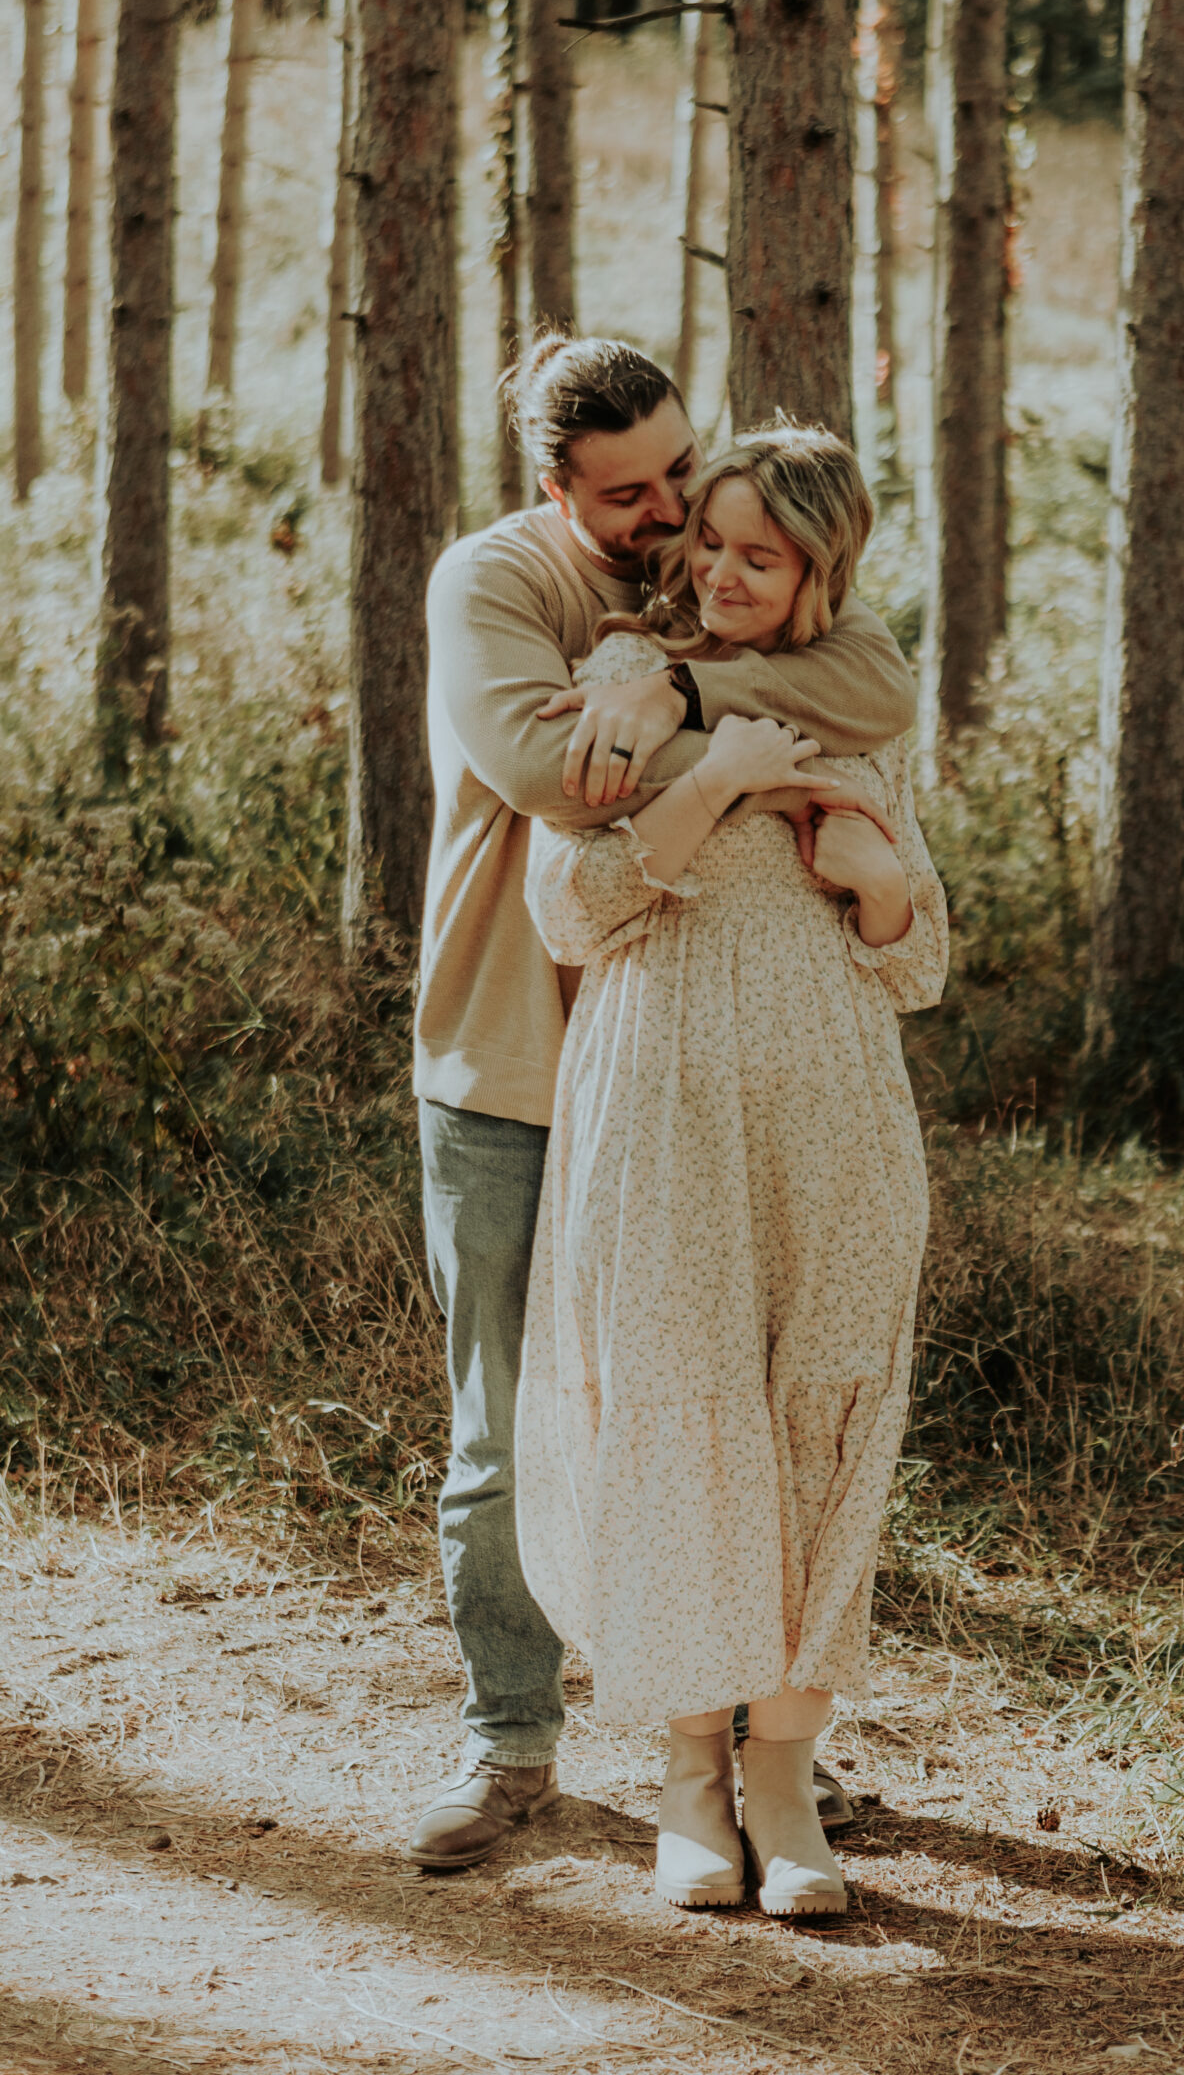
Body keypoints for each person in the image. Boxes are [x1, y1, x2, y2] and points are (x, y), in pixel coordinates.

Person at [407, 340, 917, 1872]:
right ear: (553, 485)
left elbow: (875, 682)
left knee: (728, 1409)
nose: (668, 511)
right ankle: (515, 1748)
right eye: (629, 493)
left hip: (716, 1079)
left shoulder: (697, 602)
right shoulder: (488, 589)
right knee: (517, 1426)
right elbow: (569, 784)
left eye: (679, 476)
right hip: (520, 1058)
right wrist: (757, 760)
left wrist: (675, 684)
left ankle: (758, 1749)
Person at [516, 425, 948, 1920]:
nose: (720, 572)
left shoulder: (862, 697)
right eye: (710, 542)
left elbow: (921, 958)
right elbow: (573, 912)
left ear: (823, 569)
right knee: (681, 1401)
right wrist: (728, 787)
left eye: (759, 557)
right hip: (660, 1106)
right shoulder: (627, 681)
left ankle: (787, 1777)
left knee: (822, 1409)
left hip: (834, 1114)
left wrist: (881, 883)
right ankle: (692, 1779)